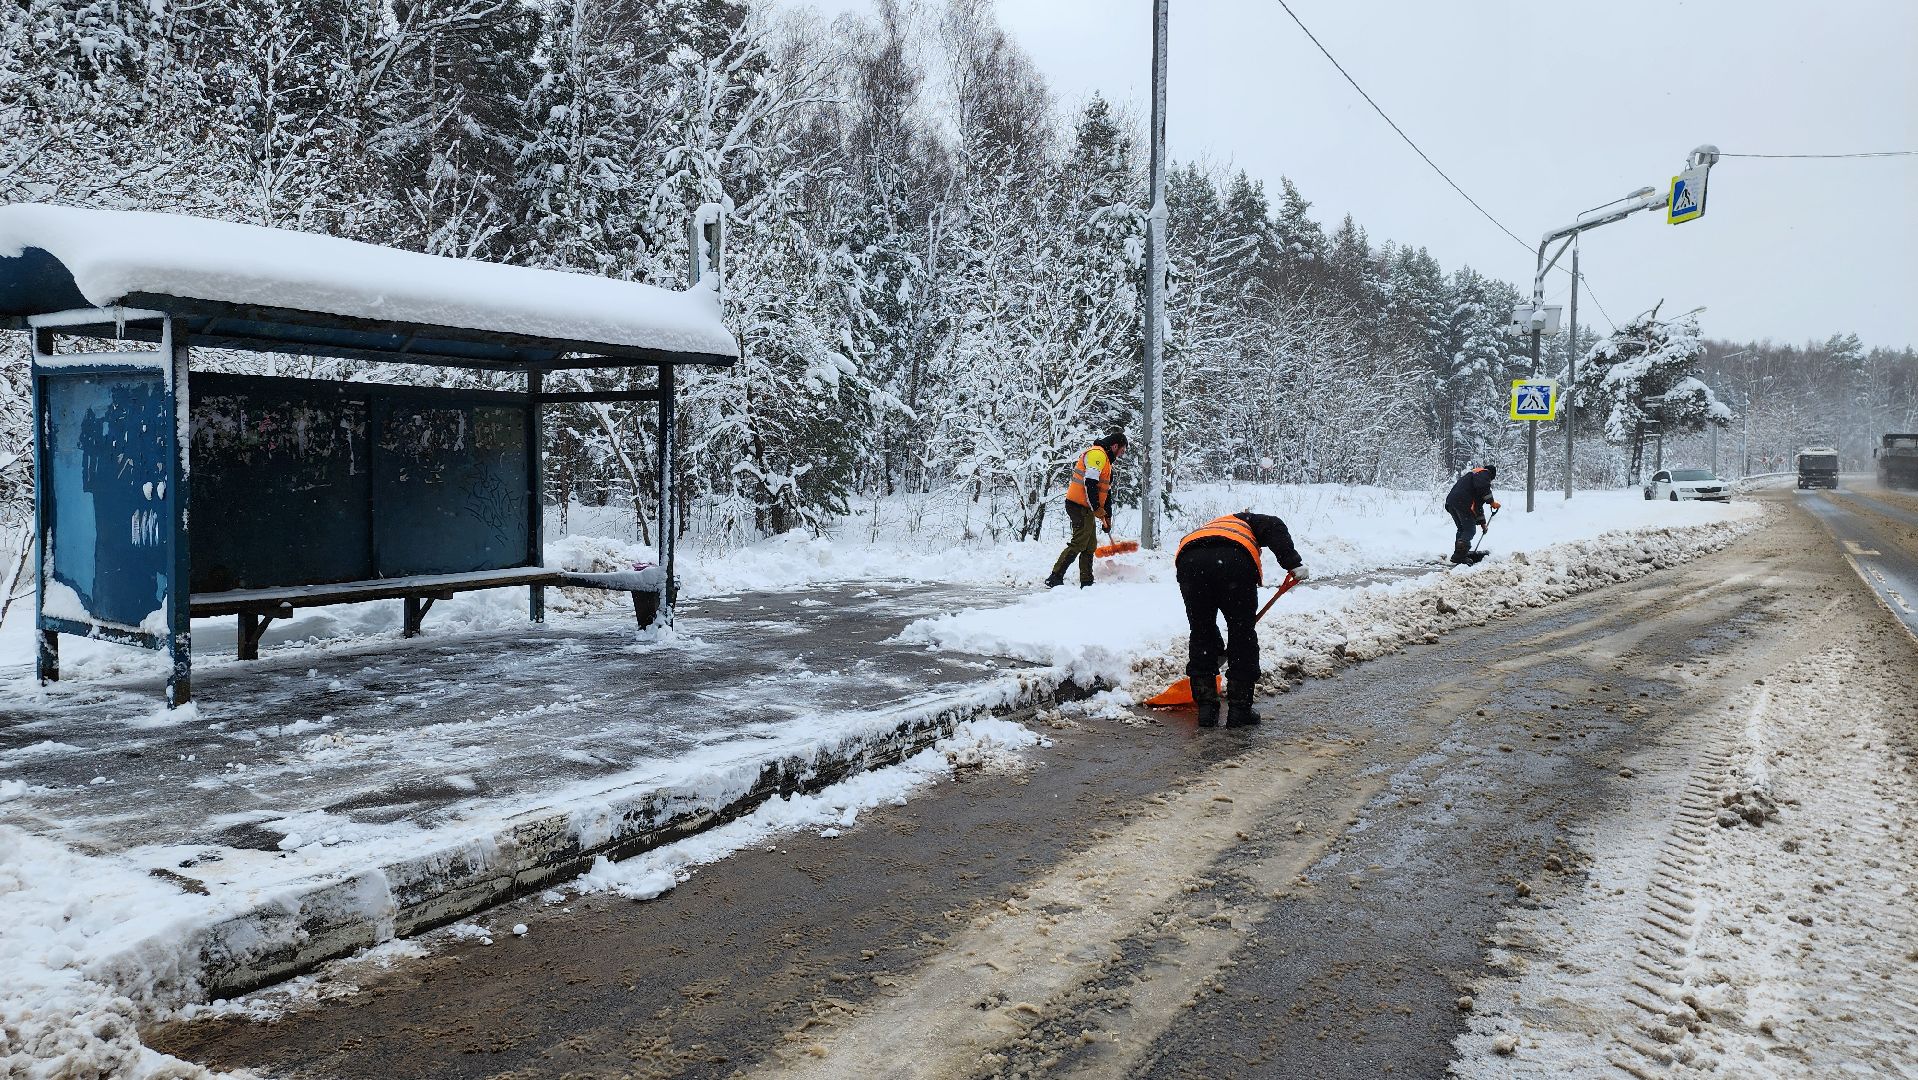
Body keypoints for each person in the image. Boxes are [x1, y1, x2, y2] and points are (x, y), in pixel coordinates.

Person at [1175, 510, 1308, 728]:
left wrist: (1215, 648)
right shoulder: (1249, 521)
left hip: (1190, 561)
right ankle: (1239, 710)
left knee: (1201, 630)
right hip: (1233, 561)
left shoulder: (1211, 526)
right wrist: (1293, 563)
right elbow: (1275, 525)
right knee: (1241, 633)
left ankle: (1207, 711)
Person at [1045, 431, 1129, 588]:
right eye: (1121, 451)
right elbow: (1089, 483)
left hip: (1086, 506)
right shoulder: (1097, 455)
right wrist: (1096, 508)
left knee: (1090, 545)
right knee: (1079, 542)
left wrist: (1107, 517)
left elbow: (1105, 491)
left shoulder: (1106, 461)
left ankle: (1087, 581)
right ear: (1115, 446)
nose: (1120, 455)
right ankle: (1055, 576)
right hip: (1078, 505)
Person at [1444, 464, 1500, 565]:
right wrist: (1491, 502)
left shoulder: (1473, 477)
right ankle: (1459, 556)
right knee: (1470, 530)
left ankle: (1459, 553)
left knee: (1462, 529)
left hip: (1451, 502)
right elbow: (1484, 487)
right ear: (1491, 475)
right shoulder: (1483, 473)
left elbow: (1477, 506)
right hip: (1462, 502)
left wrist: (1483, 524)